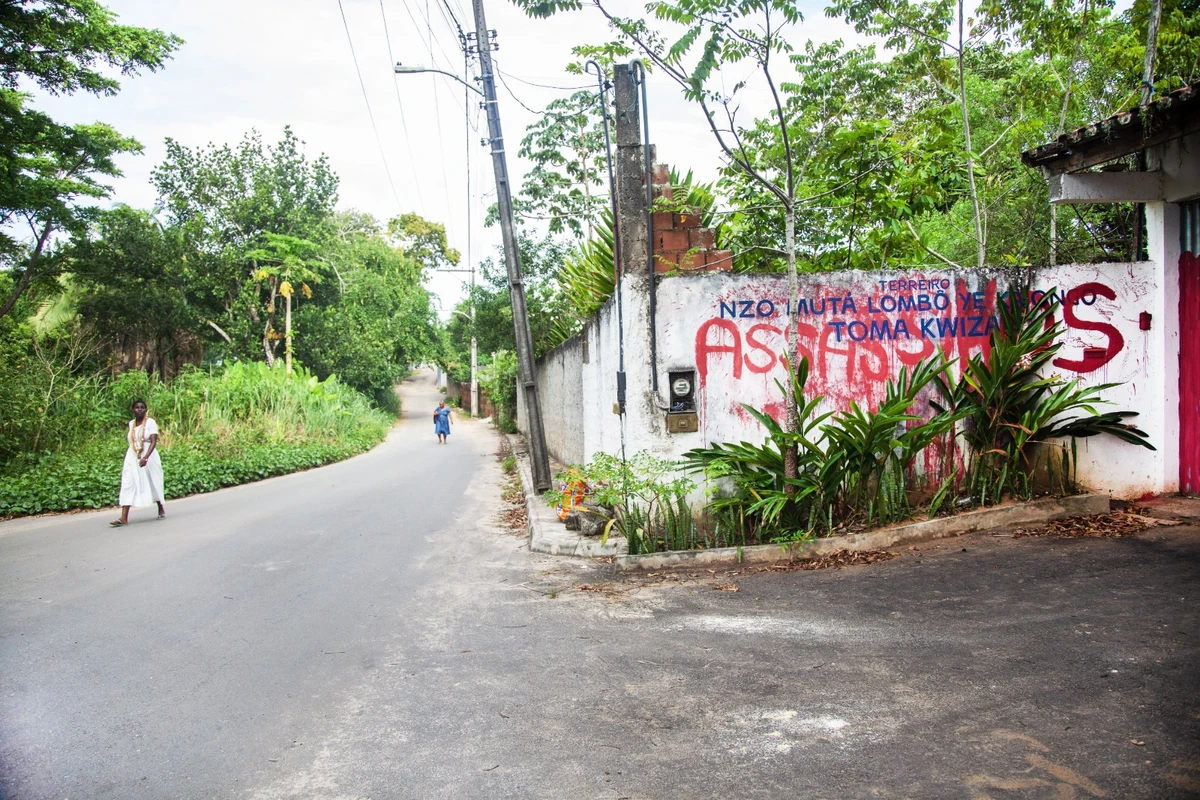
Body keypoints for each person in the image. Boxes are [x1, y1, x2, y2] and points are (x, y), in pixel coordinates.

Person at [111, 399, 165, 526]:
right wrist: (137, 455)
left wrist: (146, 457)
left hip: (148, 455)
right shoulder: (131, 424)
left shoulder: (150, 422)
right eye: (137, 407)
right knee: (128, 482)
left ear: (145, 410)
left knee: (153, 481)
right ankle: (124, 517)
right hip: (133, 456)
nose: (140, 410)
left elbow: (153, 441)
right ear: (133, 410)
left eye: (142, 407)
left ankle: (160, 506)